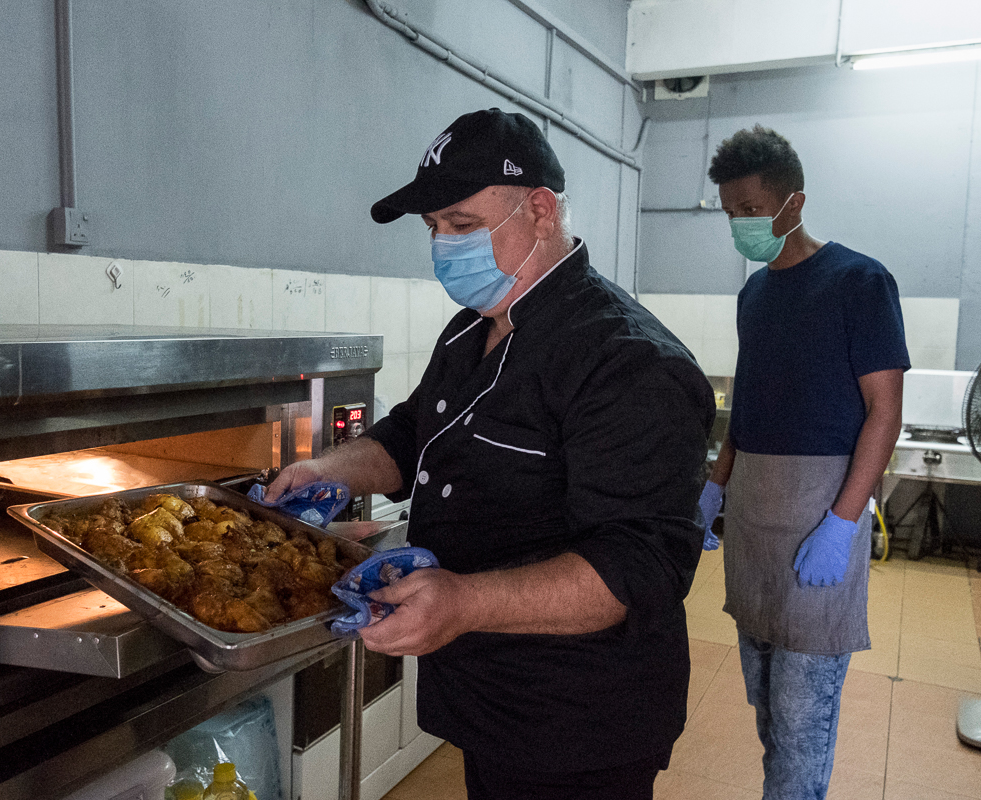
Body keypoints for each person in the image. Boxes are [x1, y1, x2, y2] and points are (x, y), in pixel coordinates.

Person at [267, 108, 715, 799]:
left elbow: (637, 565)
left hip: (580, 715)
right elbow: (412, 433)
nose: (445, 246)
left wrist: (464, 601)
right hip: (488, 690)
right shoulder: (470, 331)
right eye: (435, 229)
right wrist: (327, 470)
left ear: (539, 210)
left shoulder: (627, 361)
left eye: (464, 226)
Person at [697, 126, 908, 800]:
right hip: (754, 523)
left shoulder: (859, 281)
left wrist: (845, 523)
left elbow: (885, 411)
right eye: (731, 214)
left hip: (821, 515)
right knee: (766, 704)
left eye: (751, 210)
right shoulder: (753, 297)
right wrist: (713, 487)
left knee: (803, 714)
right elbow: (748, 406)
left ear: (794, 203)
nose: (741, 225)